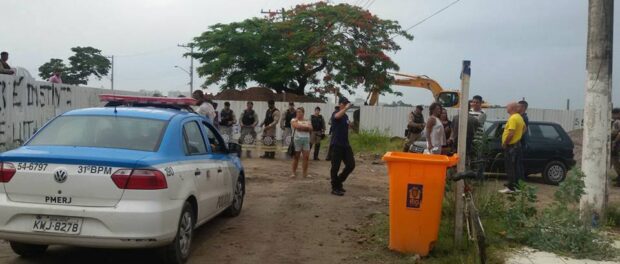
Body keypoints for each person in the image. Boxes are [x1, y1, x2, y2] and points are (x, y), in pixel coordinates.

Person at [330, 97, 355, 196]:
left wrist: (351, 125)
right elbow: (336, 117)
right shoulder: (336, 113)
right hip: (336, 144)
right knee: (335, 167)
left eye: (347, 103)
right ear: (340, 104)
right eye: (344, 103)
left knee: (351, 165)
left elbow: (347, 125)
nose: (346, 105)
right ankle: (335, 188)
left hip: (345, 145)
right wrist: (346, 109)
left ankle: (338, 181)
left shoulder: (345, 116)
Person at [499, 102, 526, 193]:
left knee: (510, 167)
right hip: (516, 145)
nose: (506, 108)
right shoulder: (519, 117)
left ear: (512, 108)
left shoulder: (513, 118)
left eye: (507, 106)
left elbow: (511, 133)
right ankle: (516, 187)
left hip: (511, 147)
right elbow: (524, 128)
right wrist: (518, 137)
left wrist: (505, 143)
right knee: (515, 167)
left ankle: (511, 188)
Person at [291, 107, 313, 178]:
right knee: (296, 157)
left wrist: (301, 127)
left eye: (300, 112)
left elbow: (311, 128)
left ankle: (305, 173)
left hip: (306, 140)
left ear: (303, 113)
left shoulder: (307, 120)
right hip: (297, 140)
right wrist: (305, 127)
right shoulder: (294, 120)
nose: (298, 113)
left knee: (306, 157)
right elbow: (296, 126)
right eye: (297, 112)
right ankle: (293, 172)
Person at [518, 100, 530, 179]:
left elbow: (523, 130)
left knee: (519, 164)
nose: (517, 108)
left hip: (521, 143)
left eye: (518, 106)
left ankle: (520, 182)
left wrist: (516, 139)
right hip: (520, 143)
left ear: (523, 107)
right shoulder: (519, 116)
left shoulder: (524, 118)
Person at [611, 108, 620, 186]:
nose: (612, 115)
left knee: (616, 162)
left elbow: (617, 133)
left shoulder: (617, 122)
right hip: (617, 144)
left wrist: (614, 141)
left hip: (617, 145)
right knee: (615, 162)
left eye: (614, 114)